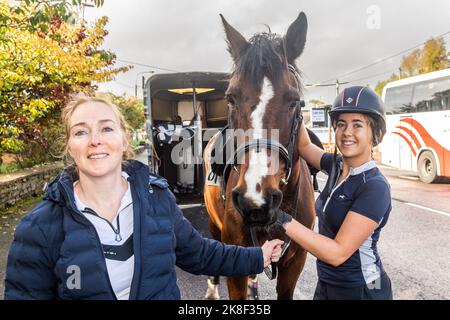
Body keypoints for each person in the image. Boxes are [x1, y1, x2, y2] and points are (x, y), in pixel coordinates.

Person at [4, 95, 284, 300]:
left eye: (106, 128)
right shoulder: (39, 228)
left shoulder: (158, 200)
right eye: (81, 131)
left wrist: (257, 257)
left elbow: (199, 253)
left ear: (125, 140)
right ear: (69, 146)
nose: (95, 140)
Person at [277, 86, 393, 300]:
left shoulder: (375, 187)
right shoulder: (336, 166)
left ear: (374, 134)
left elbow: (337, 253)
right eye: (341, 124)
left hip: (361, 289)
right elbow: (304, 145)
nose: (347, 132)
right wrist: (291, 101)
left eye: (357, 125)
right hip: (328, 283)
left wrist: (281, 220)